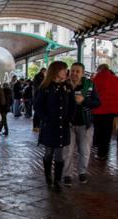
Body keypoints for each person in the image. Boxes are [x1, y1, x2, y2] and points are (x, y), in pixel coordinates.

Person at [34, 61, 76, 191]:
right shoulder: (45, 87)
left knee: (59, 155)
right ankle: (48, 176)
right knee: (48, 153)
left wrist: (69, 119)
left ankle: (57, 181)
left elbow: (72, 105)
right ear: (56, 71)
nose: (66, 72)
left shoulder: (67, 87)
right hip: (49, 126)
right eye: (64, 69)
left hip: (62, 126)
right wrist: (46, 120)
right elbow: (38, 106)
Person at [62, 62, 100, 186]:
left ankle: (82, 172)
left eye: (77, 71)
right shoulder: (64, 85)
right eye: (72, 71)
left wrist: (84, 100)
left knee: (85, 150)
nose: (74, 73)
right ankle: (67, 174)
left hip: (85, 124)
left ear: (83, 73)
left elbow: (97, 102)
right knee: (67, 150)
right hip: (68, 124)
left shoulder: (89, 85)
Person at [92, 64, 118, 160]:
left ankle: (100, 151)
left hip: (99, 110)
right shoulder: (117, 79)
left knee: (99, 130)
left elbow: (92, 93)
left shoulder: (97, 79)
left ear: (100, 70)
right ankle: (104, 152)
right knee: (107, 132)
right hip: (113, 111)